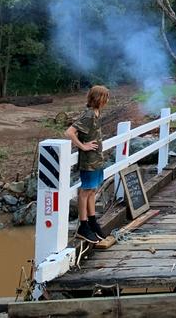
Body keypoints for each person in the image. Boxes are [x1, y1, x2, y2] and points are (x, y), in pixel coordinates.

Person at [64, 85, 110, 244]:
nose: (107, 101)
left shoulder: (97, 113)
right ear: (99, 98)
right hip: (89, 161)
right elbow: (69, 132)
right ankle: (83, 226)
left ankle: (92, 222)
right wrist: (82, 146)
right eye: (106, 97)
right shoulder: (89, 115)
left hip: (97, 159)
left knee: (92, 190)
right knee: (85, 191)